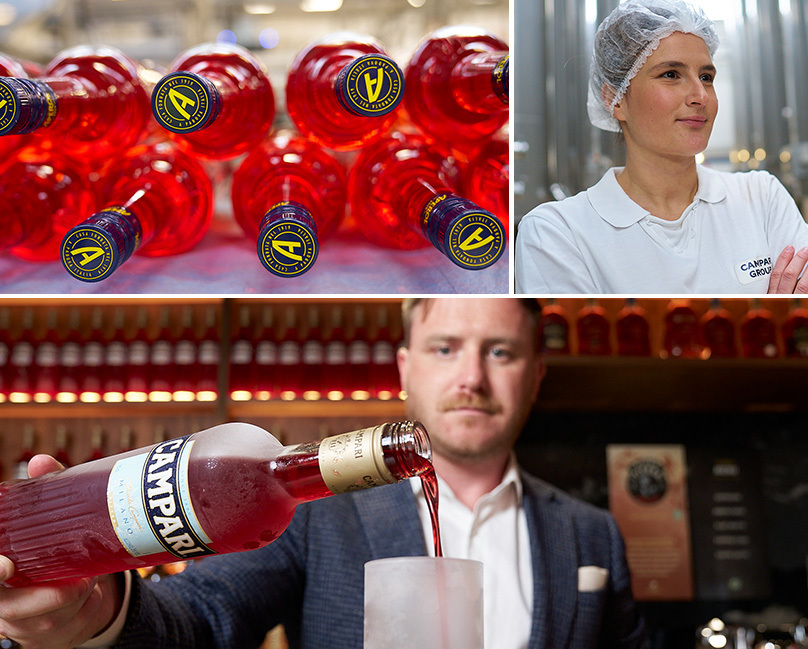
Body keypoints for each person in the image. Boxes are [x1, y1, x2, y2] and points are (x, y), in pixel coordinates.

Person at [0, 298, 647, 649]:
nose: (470, 377)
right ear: (404, 368)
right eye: (444, 348)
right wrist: (96, 615)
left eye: (499, 351)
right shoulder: (318, 513)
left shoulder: (592, 535)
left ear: (534, 374)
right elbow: (201, 617)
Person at [515, 0, 808, 294]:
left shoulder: (761, 198)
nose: (700, 96)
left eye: (706, 77)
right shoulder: (557, 233)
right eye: (670, 74)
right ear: (614, 99)